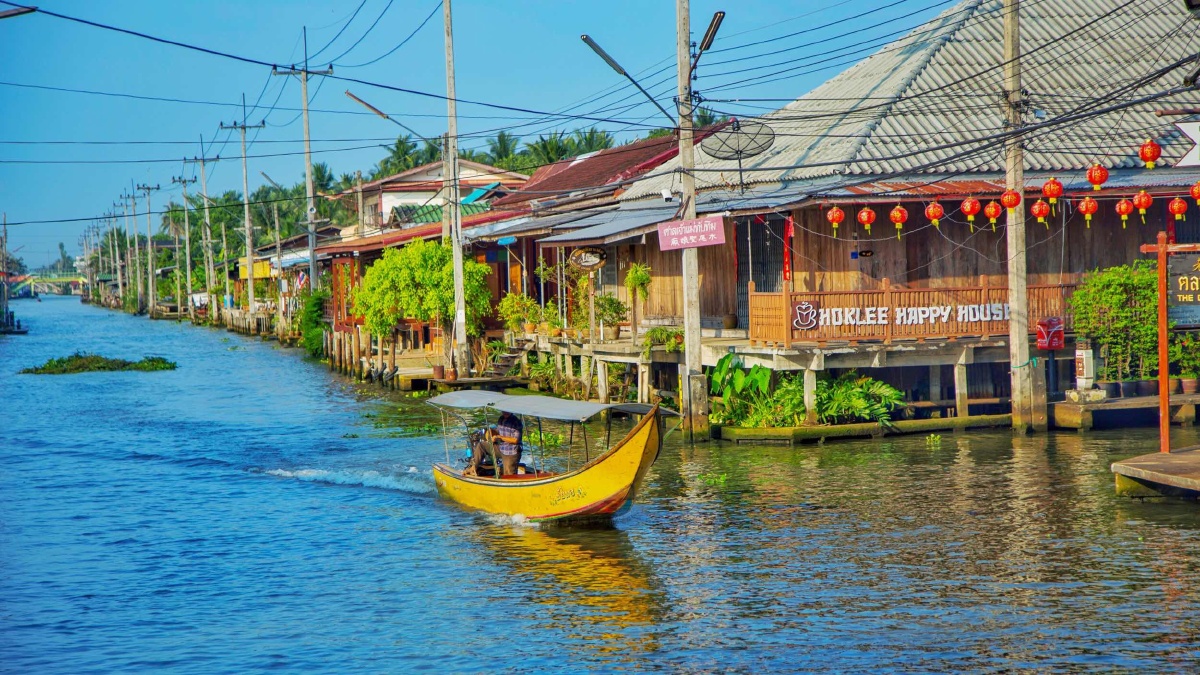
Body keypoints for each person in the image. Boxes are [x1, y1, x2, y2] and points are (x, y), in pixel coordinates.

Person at [471, 411, 523, 476]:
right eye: (504, 411)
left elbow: (515, 440)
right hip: (501, 448)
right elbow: (498, 431)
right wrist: (491, 433)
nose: (505, 412)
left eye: (507, 411)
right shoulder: (501, 419)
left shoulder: (516, 422)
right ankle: (473, 467)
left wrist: (499, 437)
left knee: (508, 476)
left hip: (511, 452)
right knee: (481, 445)